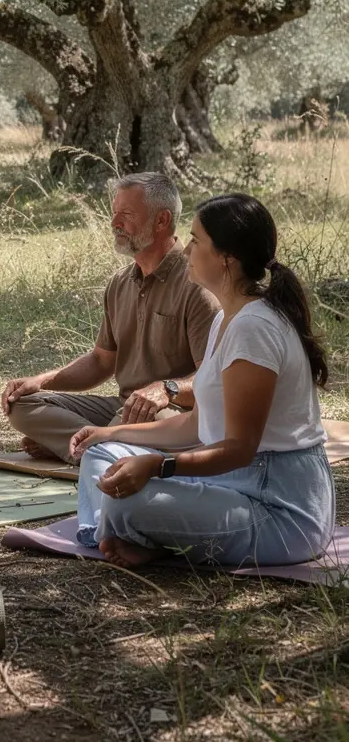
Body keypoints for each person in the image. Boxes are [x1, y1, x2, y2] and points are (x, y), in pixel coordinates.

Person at [69, 193, 335, 569]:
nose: (187, 249)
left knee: (124, 497)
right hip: (231, 485)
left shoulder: (253, 328)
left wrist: (158, 467)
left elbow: (240, 449)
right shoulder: (225, 320)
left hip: (277, 510)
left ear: (227, 258)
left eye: (195, 240)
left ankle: (120, 528)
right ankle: (128, 532)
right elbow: (196, 424)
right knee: (103, 456)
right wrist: (109, 434)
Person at [1, 172, 219, 462]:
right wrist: (41, 381)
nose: (114, 223)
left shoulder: (196, 285)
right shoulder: (119, 282)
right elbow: (101, 362)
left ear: (162, 221)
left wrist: (167, 390)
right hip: (121, 409)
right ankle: (98, 447)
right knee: (22, 405)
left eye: (126, 214)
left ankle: (87, 446)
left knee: (140, 421)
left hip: (169, 412)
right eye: (114, 213)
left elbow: (214, 379)